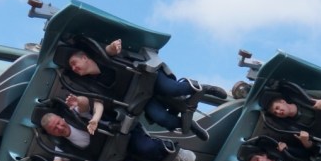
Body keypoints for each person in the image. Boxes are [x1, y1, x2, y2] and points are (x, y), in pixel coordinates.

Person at [66, 38, 223, 140]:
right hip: (140, 96)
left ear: (85, 58)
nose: (74, 68)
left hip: (148, 79)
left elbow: (110, 50)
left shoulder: (101, 55)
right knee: (162, 119)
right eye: (71, 67)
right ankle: (190, 125)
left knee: (173, 89)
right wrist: (95, 119)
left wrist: (114, 46)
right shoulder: (92, 84)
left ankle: (205, 88)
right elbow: (98, 103)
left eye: (74, 63)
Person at [26, 110, 192, 161]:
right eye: (54, 129)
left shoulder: (75, 113)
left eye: (58, 123)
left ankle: (173, 149)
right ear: (52, 133)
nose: (59, 127)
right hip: (114, 158)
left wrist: (90, 113)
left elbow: (87, 103)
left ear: (62, 118)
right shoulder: (61, 147)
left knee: (146, 147)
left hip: (122, 138)